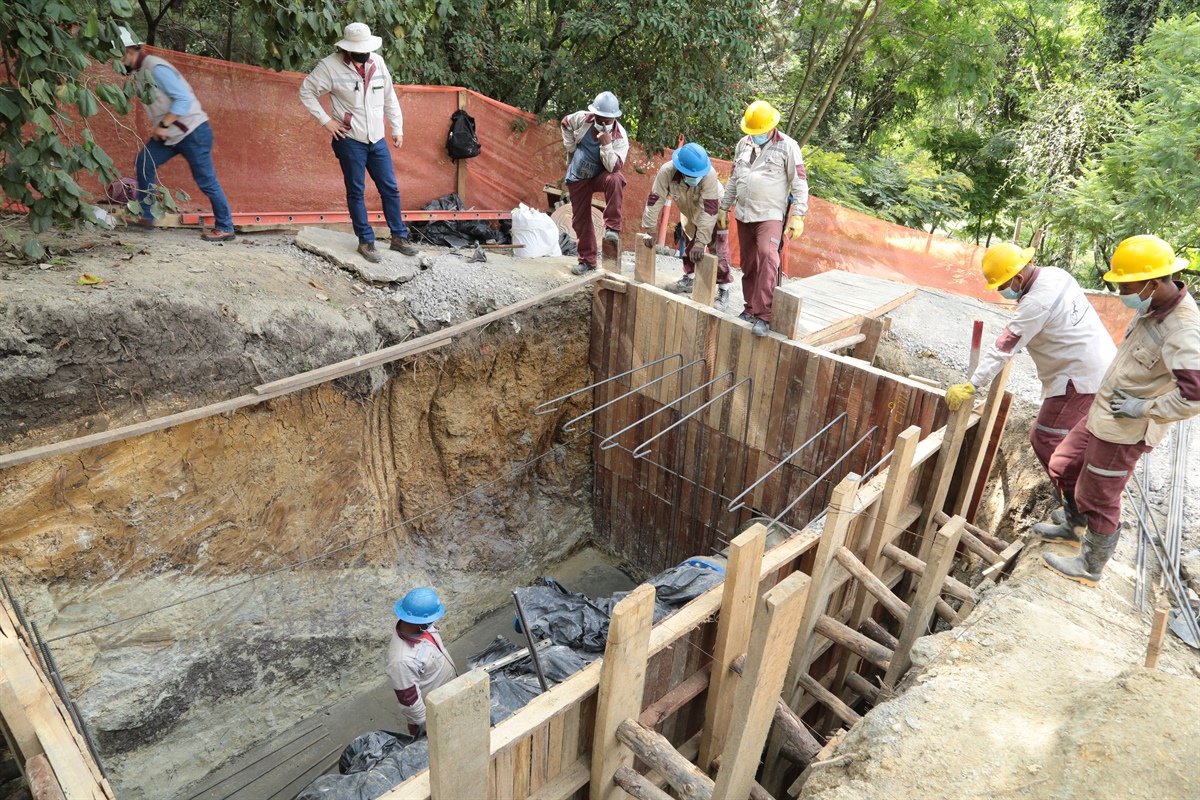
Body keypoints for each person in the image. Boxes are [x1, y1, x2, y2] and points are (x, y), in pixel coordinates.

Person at [1041, 235, 1200, 587]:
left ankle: (1090, 565)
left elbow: (1195, 395)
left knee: (1099, 495)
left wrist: (1143, 408)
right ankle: (1073, 525)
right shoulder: (1151, 308)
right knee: (1063, 464)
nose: (1121, 293)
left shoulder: (1184, 328)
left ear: (1154, 282)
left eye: (1126, 285)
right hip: (1105, 411)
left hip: (1128, 427)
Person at [945, 242, 1117, 542]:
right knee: (1070, 439)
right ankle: (1078, 503)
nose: (1001, 291)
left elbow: (1004, 347)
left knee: (1046, 437)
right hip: (1096, 364)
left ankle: (1079, 517)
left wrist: (974, 384)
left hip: (1079, 377)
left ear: (1018, 279)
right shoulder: (1056, 274)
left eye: (1002, 285)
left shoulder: (1035, 304)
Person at [299, 23, 420, 264]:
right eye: (359, 50)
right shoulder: (329, 67)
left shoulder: (377, 63)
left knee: (390, 188)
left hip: (377, 139)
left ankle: (399, 238)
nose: (364, 54)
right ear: (347, 49)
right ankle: (366, 241)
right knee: (356, 191)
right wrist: (326, 121)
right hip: (349, 140)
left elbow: (389, 97)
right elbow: (306, 92)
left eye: (367, 49)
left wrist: (397, 129)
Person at [117, 27, 235, 242]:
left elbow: (183, 99)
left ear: (129, 51)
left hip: (193, 131)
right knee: (145, 162)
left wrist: (162, 124)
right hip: (171, 134)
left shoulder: (155, 68)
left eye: (117, 54)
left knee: (206, 181)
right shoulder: (138, 71)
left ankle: (226, 227)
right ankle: (147, 215)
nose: (115, 60)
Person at [720, 100, 809, 337]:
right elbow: (733, 178)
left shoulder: (788, 146)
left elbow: (799, 181)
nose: (755, 135)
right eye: (752, 132)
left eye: (759, 132)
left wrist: (799, 215)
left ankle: (764, 315)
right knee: (749, 263)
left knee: (768, 257)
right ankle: (750, 309)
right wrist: (723, 208)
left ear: (771, 127)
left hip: (770, 214)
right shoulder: (743, 144)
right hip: (744, 213)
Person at [641, 143, 733, 304]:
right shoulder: (667, 172)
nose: (694, 177)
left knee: (718, 248)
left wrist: (701, 242)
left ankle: (723, 290)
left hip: (713, 208)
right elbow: (655, 199)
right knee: (689, 242)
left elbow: (709, 210)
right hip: (688, 210)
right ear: (680, 170)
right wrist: (650, 229)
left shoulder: (709, 175)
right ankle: (689, 279)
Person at [561, 92, 629, 275]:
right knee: (580, 219)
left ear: (614, 118)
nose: (604, 123)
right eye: (600, 119)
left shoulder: (620, 137)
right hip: (579, 176)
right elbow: (565, 122)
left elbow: (614, 167)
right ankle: (587, 262)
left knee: (616, 179)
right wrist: (571, 147)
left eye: (608, 120)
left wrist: (606, 145)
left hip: (600, 176)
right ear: (594, 115)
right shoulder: (582, 119)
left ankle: (613, 228)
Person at [386, 588, 459, 735]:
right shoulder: (401, 661)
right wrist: (427, 726)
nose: (433, 622)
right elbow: (409, 701)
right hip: (433, 708)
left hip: (446, 693)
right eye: (431, 619)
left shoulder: (418, 627)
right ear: (419, 621)